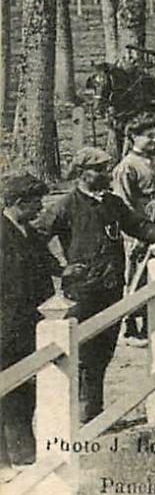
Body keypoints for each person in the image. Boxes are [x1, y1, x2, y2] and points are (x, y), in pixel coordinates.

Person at [33, 149, 155, 422]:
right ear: (82, 173)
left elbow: (139, 225)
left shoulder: (112, 204)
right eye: (99, 170)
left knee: (103, 352)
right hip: (82, 291)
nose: (106, 174)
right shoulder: (65, 205)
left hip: (112, 288)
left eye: (106, 168)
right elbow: (35, 239)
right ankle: (79, 416)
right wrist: (59, 269)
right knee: (82, 354)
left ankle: (93, 412)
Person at [0, 172, 57, 472]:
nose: (40, 208)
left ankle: (22, 451)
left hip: (29, 322)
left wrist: (67, 271)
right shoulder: (2, 234)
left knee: (26, 388)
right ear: (19, 203)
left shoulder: (29, 232)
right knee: (7, 389)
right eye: (36, 203)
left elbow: (47, 262)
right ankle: (8, 458)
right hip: (6, 325)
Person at [111, 113, 155, 343]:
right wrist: (137, 233)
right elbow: (124, 204)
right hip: (138, 225)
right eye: (149, 136)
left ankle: (151, 324)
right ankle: (129, 326)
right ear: (133, 137)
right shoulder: (127, 167)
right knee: (135, 275)